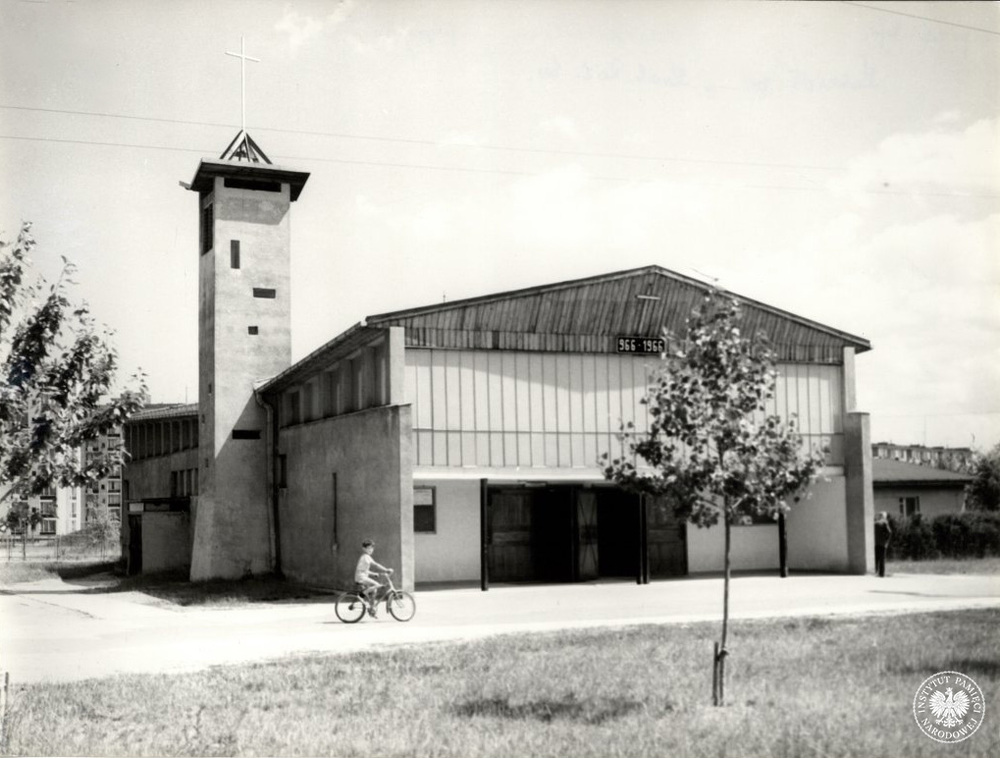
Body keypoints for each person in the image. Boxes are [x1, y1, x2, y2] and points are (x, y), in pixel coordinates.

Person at [354, 539, 393, 616]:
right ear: (364, 549)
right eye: (368, 548)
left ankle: (372, 609)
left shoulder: (365, 557)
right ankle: (362, 595)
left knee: (374, 591)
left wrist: (374, 574)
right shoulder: (366, 556)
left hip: (361, 576)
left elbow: (365, 570)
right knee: (377, 585)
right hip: (361, 577)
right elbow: (376, 565)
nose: (370, 550)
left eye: (371, 548)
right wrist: (386, 570)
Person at [874, 512, 892, 578]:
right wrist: (887, 541)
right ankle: (881, 573)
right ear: (884, 517)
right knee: (882, 559)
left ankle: (875, 571)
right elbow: (889, 532)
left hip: (875, 543)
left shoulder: (875, 523)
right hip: (882, 543)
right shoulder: (884, 523)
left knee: (876, 558)